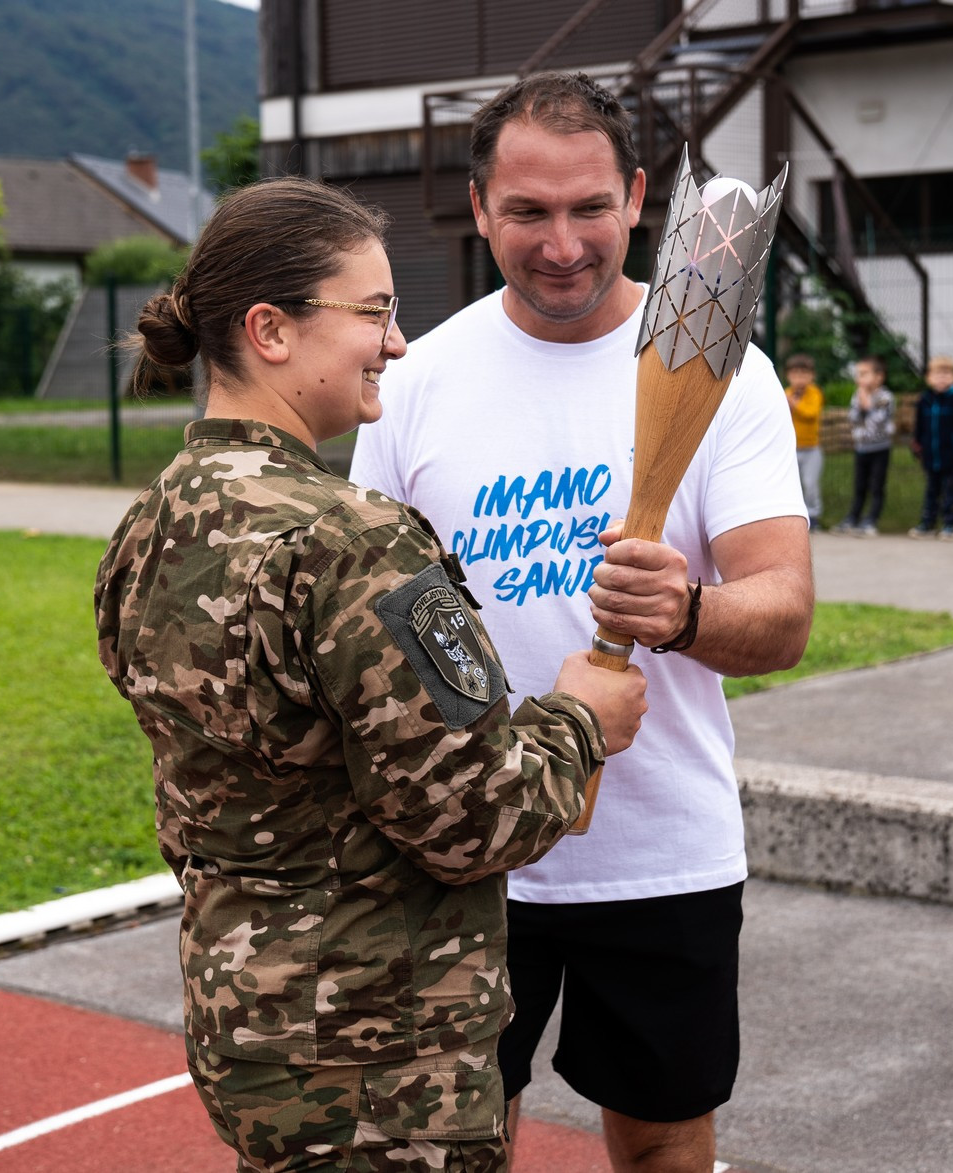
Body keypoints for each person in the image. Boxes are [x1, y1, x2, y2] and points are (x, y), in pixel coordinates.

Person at [93, 176, 650, 1173]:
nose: (394, 344)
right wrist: (580, 718)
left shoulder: (153, 522)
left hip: (247, 1028)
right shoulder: (349, 539)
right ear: (269, 329)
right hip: (380, 1063)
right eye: (375, 312)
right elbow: (475, 817)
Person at [348, 71, 813, 1173]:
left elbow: (783, 615)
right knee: (458, 1147)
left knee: (659, 1143)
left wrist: (685, 610)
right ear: (477, 210)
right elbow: (372, 626)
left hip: (660, 856)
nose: (561, 243)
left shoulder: (729, 377)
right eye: (526, 211)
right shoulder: (417, 381)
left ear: (639, 197)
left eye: (587, 208)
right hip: (466, 857)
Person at [908, 354, 953, 540]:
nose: (942, 377)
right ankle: (928, 523)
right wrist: (917, 445)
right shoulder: (924, 400)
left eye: (947, 374)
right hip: (931, 455)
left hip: (952, 456)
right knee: (931, 491)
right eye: (937, 374)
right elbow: (919, 426)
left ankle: (950, 524)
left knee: (951, 492)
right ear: (929, 378)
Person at [832, 355, 895, 537]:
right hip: (862, 447)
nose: (859, 378)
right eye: (858, 374)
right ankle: (853, 517)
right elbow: (852, 419)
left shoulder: (886, 397)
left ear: (879, 376)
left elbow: (878, 421)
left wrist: (867, 407)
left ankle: (871, 520)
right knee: (860, 485)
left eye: (864, 373)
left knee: (876, 485)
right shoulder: (857, 396)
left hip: (880, 448)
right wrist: (861, 406)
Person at [783, 353, 825, 530]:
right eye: (795, 374)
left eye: (804, 374)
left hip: (811, 449)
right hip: (791, 448)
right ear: (788, 376)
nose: (799, 379)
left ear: (811, 376)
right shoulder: (786, 393)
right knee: (792, 484)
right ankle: (794, 516)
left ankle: (814, 515)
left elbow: (811, 414)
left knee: (810, 483)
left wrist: (795, 406)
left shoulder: (814, 394)